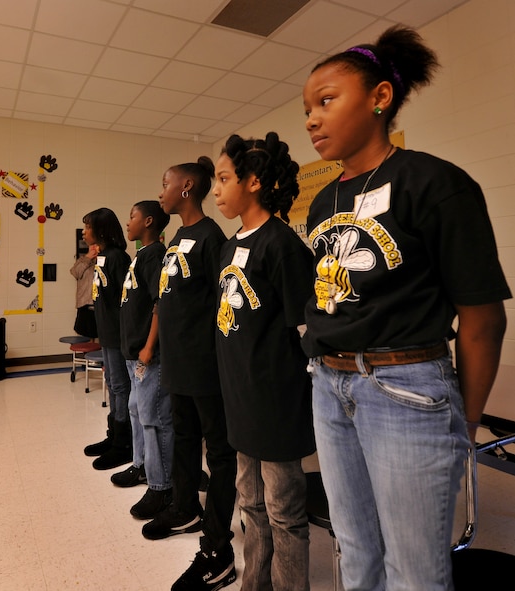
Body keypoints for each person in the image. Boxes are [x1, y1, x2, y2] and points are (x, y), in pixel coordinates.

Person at [302, 25, 510, 590]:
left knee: (414, 570)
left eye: (326, 101)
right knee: (354, 549)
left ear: (379, 98)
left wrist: (463, 420)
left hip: (405, 386)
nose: (311, 119)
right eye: (307, 109)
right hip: (329, 385)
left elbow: (484, 318)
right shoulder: (324, 201)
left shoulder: (435, 183)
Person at [213, 132, 315, 591]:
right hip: (240, 398)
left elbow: (304, 333)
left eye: (223, 178)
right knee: (250, 506)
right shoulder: (229, 245)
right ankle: (255, 583)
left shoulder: (284, 246)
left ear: (253, 182)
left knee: (284, 514)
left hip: (275, 403)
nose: (217, 189)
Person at [147, 157, 238, 591]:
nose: (160, 191)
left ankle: (218, 543)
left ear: (186, 187)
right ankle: (184, 507)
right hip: (177, 362)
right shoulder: (177, 237)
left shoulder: (210, 238)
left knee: (218, 452)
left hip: (204, 364)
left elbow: (223, 304)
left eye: (165, 183)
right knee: (183, 436)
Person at [111, 200, 175, 520]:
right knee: (136, 410)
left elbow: (159, 303)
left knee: (153, 417)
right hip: (131, 351)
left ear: (148, 221)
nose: (128, 221)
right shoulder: (140, 255)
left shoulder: (157, 257)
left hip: (148, 354)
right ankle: (140, 466)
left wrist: (150, 346)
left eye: (132, 216)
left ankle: (162, 486)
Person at [81, 208, 133, 470]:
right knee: (112, 384)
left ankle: (124, 443)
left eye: (87, 226)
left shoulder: (117, 258)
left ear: (100, 229)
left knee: (120, 386)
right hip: (107, 334)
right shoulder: (101, 257)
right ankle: (113, 435)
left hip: (117, 335)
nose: (83, 231)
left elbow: (125, 302)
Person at [70, 251, 98, 339]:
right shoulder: (82, 260)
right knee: (85, 338)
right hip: (85, 304)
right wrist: (88, 258)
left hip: (101, 305)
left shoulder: (108, 258)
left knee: (101, 339)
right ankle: (86, 353)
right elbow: (75, 272)